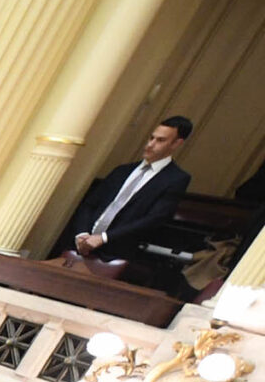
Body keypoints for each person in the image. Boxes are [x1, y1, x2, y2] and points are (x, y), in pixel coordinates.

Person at [59, 116, 195, 278]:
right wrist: (82, 234)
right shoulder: (122, 170)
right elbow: (89, 204)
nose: (150, 144)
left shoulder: (176, 179)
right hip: (79, 245)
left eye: (160, 140)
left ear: (176, 144)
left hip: (116, 252)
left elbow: (154, 218)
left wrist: (104, 238)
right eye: (151, 138)